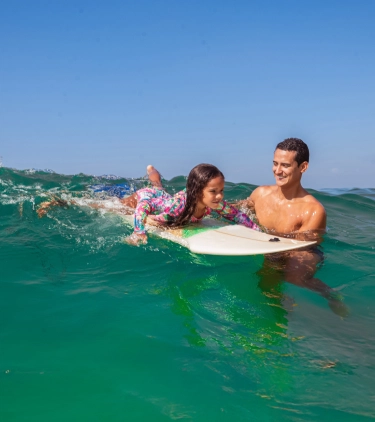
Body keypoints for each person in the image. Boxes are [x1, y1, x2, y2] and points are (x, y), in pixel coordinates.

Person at [237, 138, 347, 316]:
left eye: (285, 165)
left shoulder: (313, 210)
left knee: (293, 277)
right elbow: (235, 211)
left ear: (302, 167)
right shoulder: (260, 194)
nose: (277, 171)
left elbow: (303, 247)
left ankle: (331, 295)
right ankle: (278, 311)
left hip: (305, 250)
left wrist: (269, 247)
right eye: (275, 164)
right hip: (271, 245)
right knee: (264, 280)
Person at [125, 163, 260, 245]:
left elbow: (236, 215)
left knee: (158, 186)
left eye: (221, 190)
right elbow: (144, 204)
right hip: (145, 196)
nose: (220, 196)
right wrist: (139, 231)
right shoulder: (177, 207)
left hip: (164, 198)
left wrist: (256, 230)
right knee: (116, 206)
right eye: (213, 191)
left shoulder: (215, 203)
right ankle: (151, 171)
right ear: (197, 192)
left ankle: (151, 170)